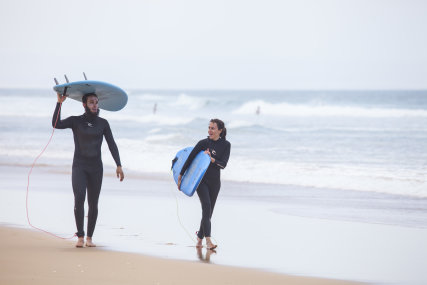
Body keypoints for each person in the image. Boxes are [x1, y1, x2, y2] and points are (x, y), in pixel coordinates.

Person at [53, 92, 124, 248]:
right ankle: (80, 236)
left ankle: (90, 238)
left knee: (93, 203)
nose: (95, 105)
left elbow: (112, 144)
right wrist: (59, 103)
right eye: (91, 102)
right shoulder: (75, 121)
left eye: (96, 102)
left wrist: (118, 164)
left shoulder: (103, 123)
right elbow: (56, 124)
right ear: (84, 104)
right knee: (79, 199)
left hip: (96, 168)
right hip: (79, 166)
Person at [178, 119, 231, 250]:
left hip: (215, 182)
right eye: (209, 127)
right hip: (201, 181)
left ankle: (199, 238)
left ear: (220, 130)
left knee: (208, 213)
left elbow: (223, 164)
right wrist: (180, 176)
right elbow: (190, 159)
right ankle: (208, 241)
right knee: (206, 207)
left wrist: (211, 159)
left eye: (213, 128)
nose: (210, 130)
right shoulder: (203, 143)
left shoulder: (226, 145)